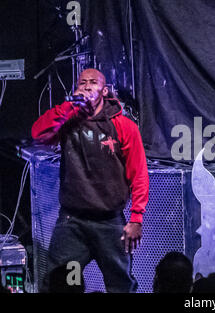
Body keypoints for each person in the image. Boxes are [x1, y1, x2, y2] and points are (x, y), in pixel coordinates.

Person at [32, 68, 149, 293]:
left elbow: (139, 173)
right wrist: (69, 108)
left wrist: (136, 218)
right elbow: (38, 133)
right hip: (73, 222)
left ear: (104, 91)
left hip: (110, 223)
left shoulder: (123, 125)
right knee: (62, 284)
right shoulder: (67, 121)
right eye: (82, 83)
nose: (86, 86)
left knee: (120, 286)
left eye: (93, 82)